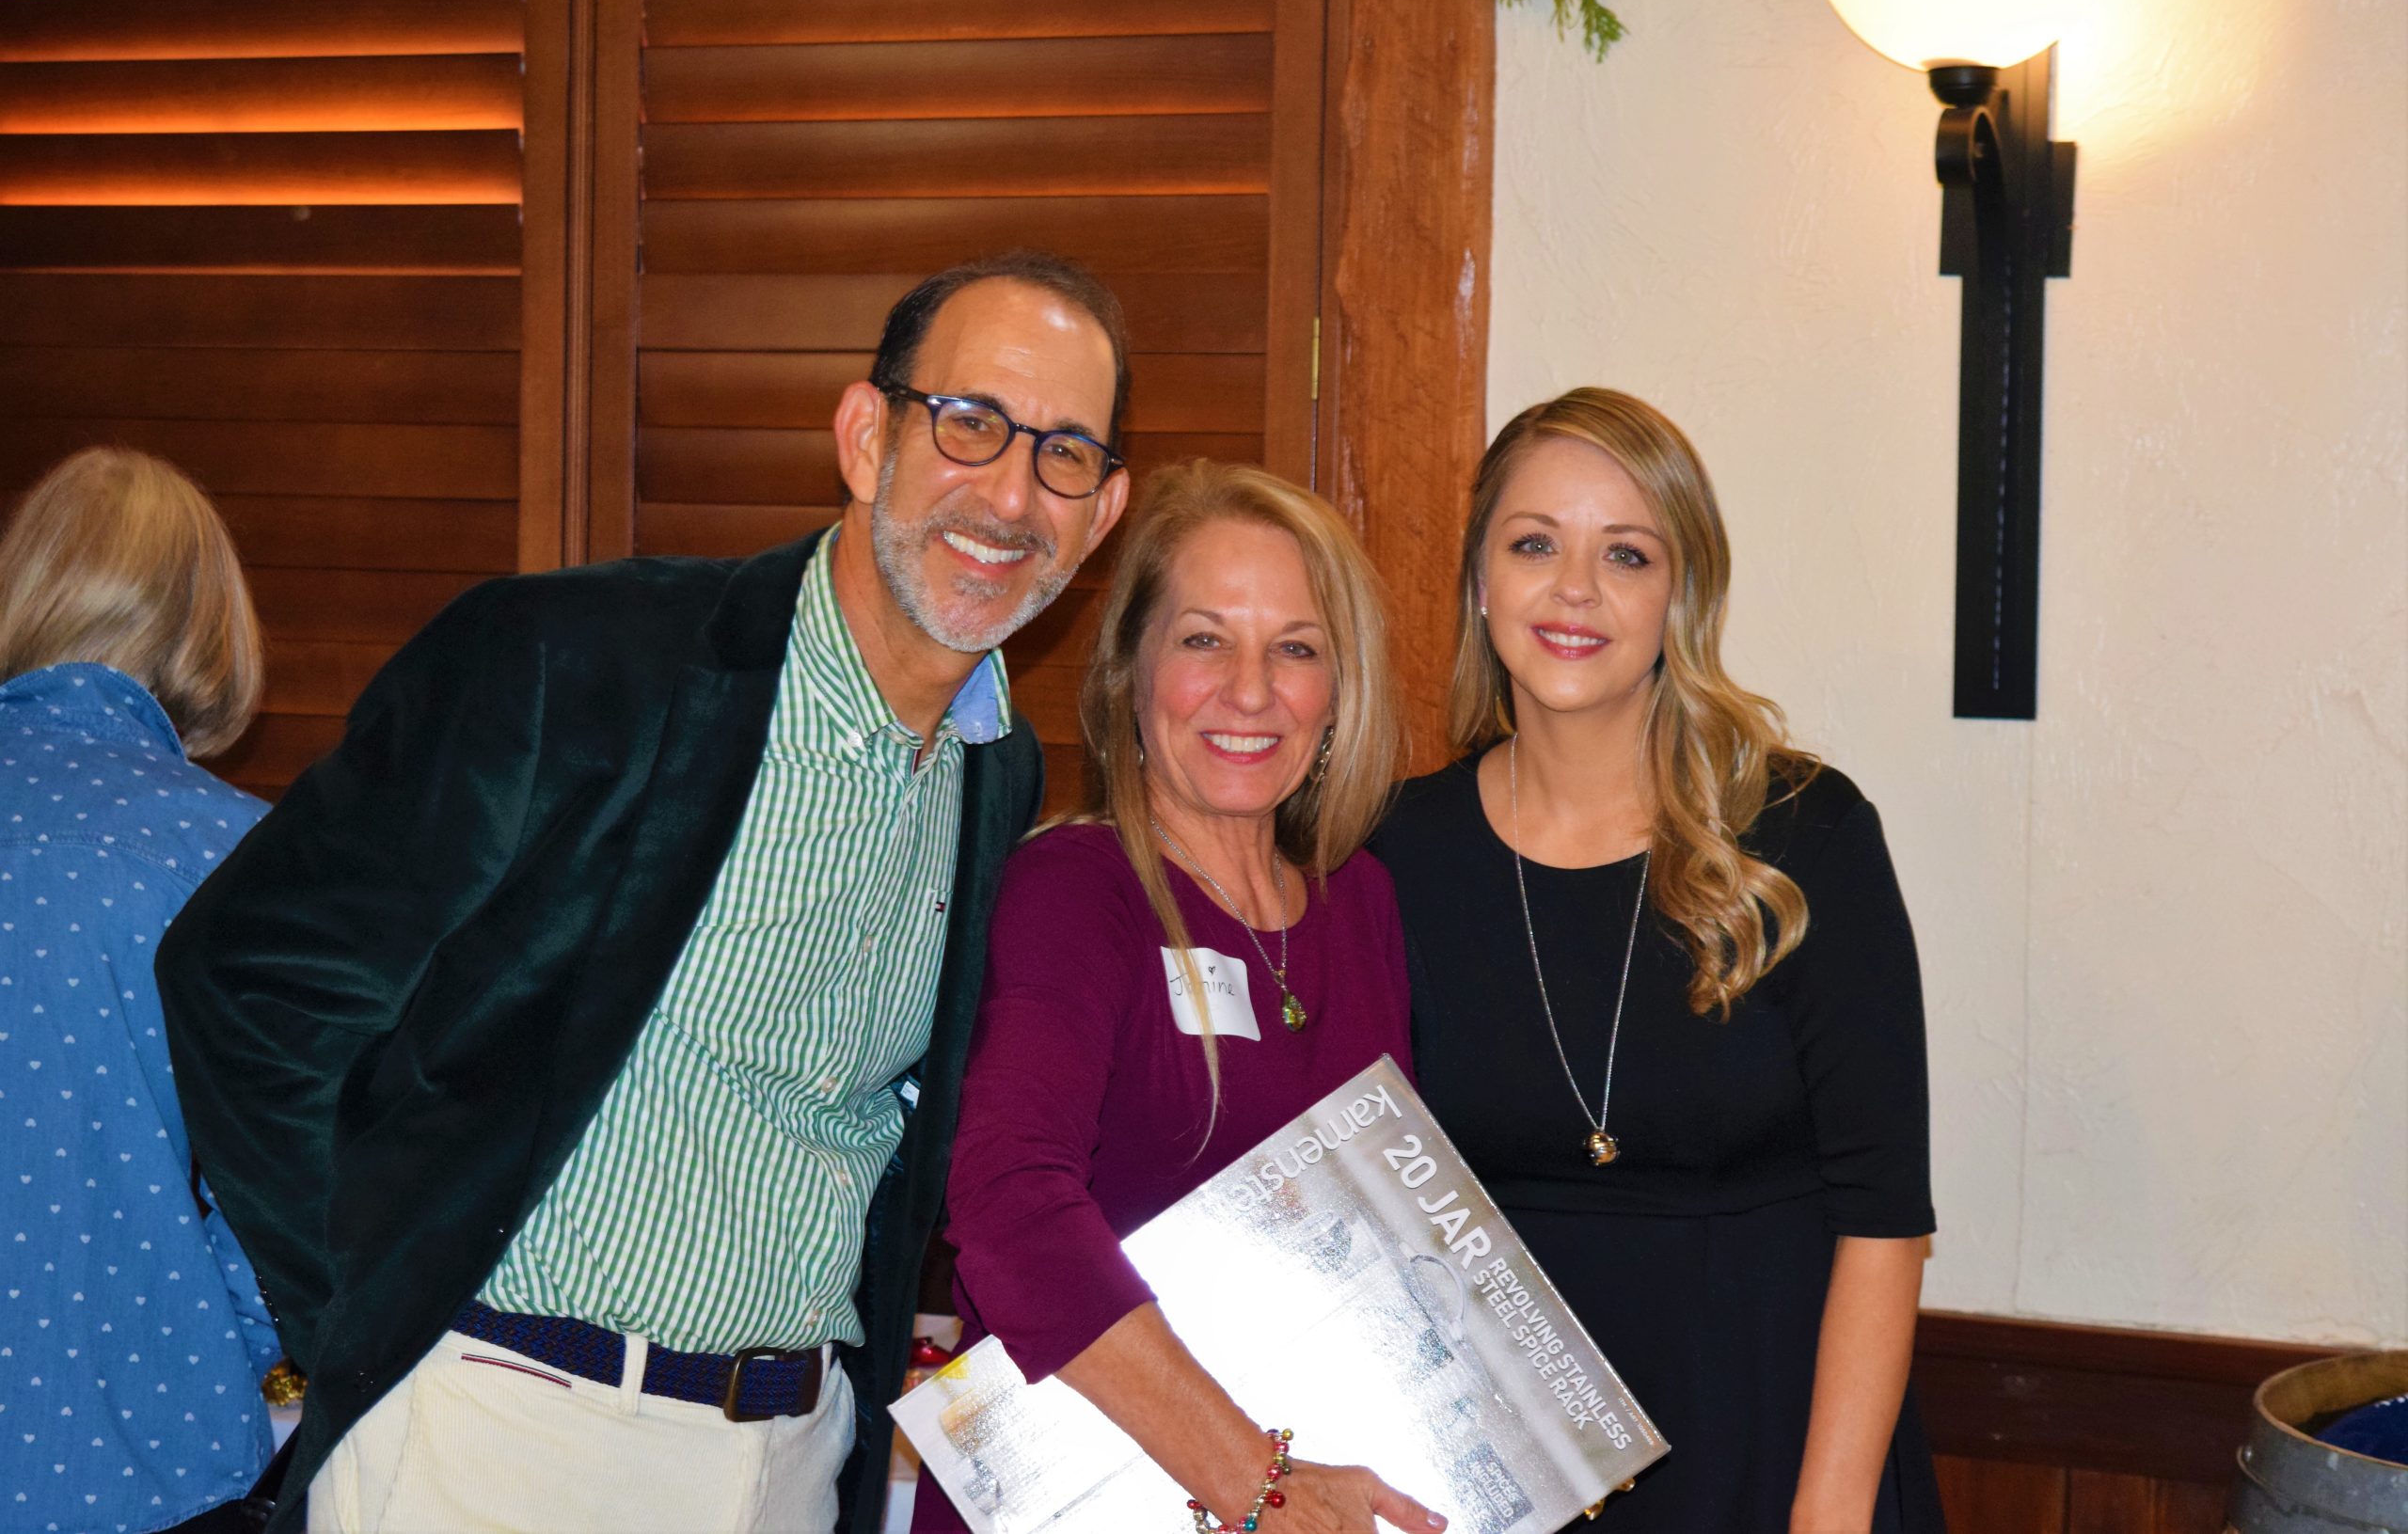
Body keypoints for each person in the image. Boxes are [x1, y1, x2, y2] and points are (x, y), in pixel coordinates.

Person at [152, 252, 1134, 1534]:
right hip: (493, 1439)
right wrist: (370, 1331)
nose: (1008, 493)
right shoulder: (576, 662)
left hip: (790, 1457)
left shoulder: (994, 767)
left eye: (1064, 454)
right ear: (865, 437)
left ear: (1102, 513)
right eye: (969, 422)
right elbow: (249, 979)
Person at [1370, 390, 1943, 1533]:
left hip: (1777, 1451)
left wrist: (1828, 1512)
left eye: (1625, 554)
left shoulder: (1804, 836)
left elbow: (1884, 1218)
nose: (1574, 590)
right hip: (1510, 1474)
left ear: (1681, 594)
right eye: (1534, 544)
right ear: (1479, 580)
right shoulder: (1392, 852)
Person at [913, 464, 1446, 1534]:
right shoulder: (1073, 892)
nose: (1250, 691)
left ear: (1339, 689)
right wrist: (1258, 1484)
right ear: (1130, 669)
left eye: (1295, 648)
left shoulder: (1363, 906)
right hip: (1088, 1501)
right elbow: (1010, 1208)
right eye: (1205, 639)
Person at [0, 447, 284, 1534]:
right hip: (136, 1472)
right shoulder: (239, 858)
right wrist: (227, 1353)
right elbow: (289, 1199)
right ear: (208, 628)